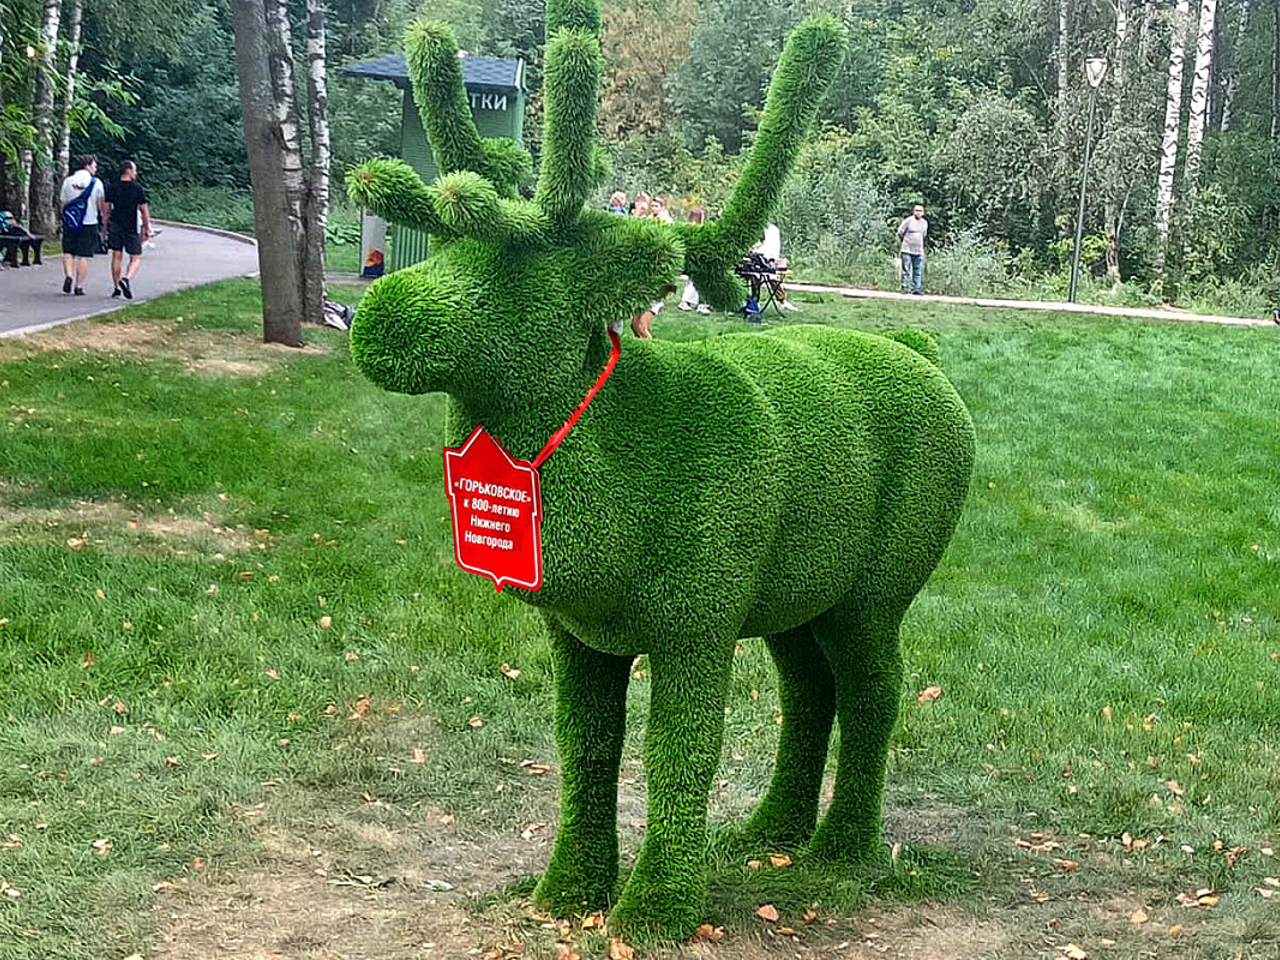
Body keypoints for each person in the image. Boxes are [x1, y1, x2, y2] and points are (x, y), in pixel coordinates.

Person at [103, 159, 152, 299]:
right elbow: (144, 210)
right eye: (134, 170)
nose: (135, 173)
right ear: (129, 171)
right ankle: (127, 278)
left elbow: (106, 209)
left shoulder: (112, 187)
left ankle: (116, 287)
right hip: (131, 225)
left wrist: (106, 225)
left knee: (116, 256)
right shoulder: (137, 188)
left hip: (116, 225)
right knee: (135, 257)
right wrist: (146, 227)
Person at [59, 154, 106, 296]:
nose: (95, 168)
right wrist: (103, 218)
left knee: (68, 252)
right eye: (94, 165)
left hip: (71, 222)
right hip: (89, 222)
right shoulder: (96, 182)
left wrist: (64, 218)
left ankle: (68, 275)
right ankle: (79, 286)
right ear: (88, 165)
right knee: (83, 256)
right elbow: (100, 204)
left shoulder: (68, 181)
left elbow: (62, 202)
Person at [678, 208, 712, 315]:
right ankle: (698, 303)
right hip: (694, 261)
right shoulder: (696, 230)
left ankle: (693, 302)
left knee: (696, 281)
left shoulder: (687, 228)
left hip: (693, 260)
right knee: (700, 279)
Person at [897, 203, 928, 295]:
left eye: (920, 211)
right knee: (906, 269)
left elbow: (924, 235)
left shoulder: (924, 223)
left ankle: (916, 288)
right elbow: (900, 232)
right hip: (907, 249)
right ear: (913, 211)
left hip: (918, 250)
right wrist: (904, 241)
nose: (918, 213)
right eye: (916, 211)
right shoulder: (908, 221)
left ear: (923, 212)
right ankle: (905, 287)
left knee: (917, 270)